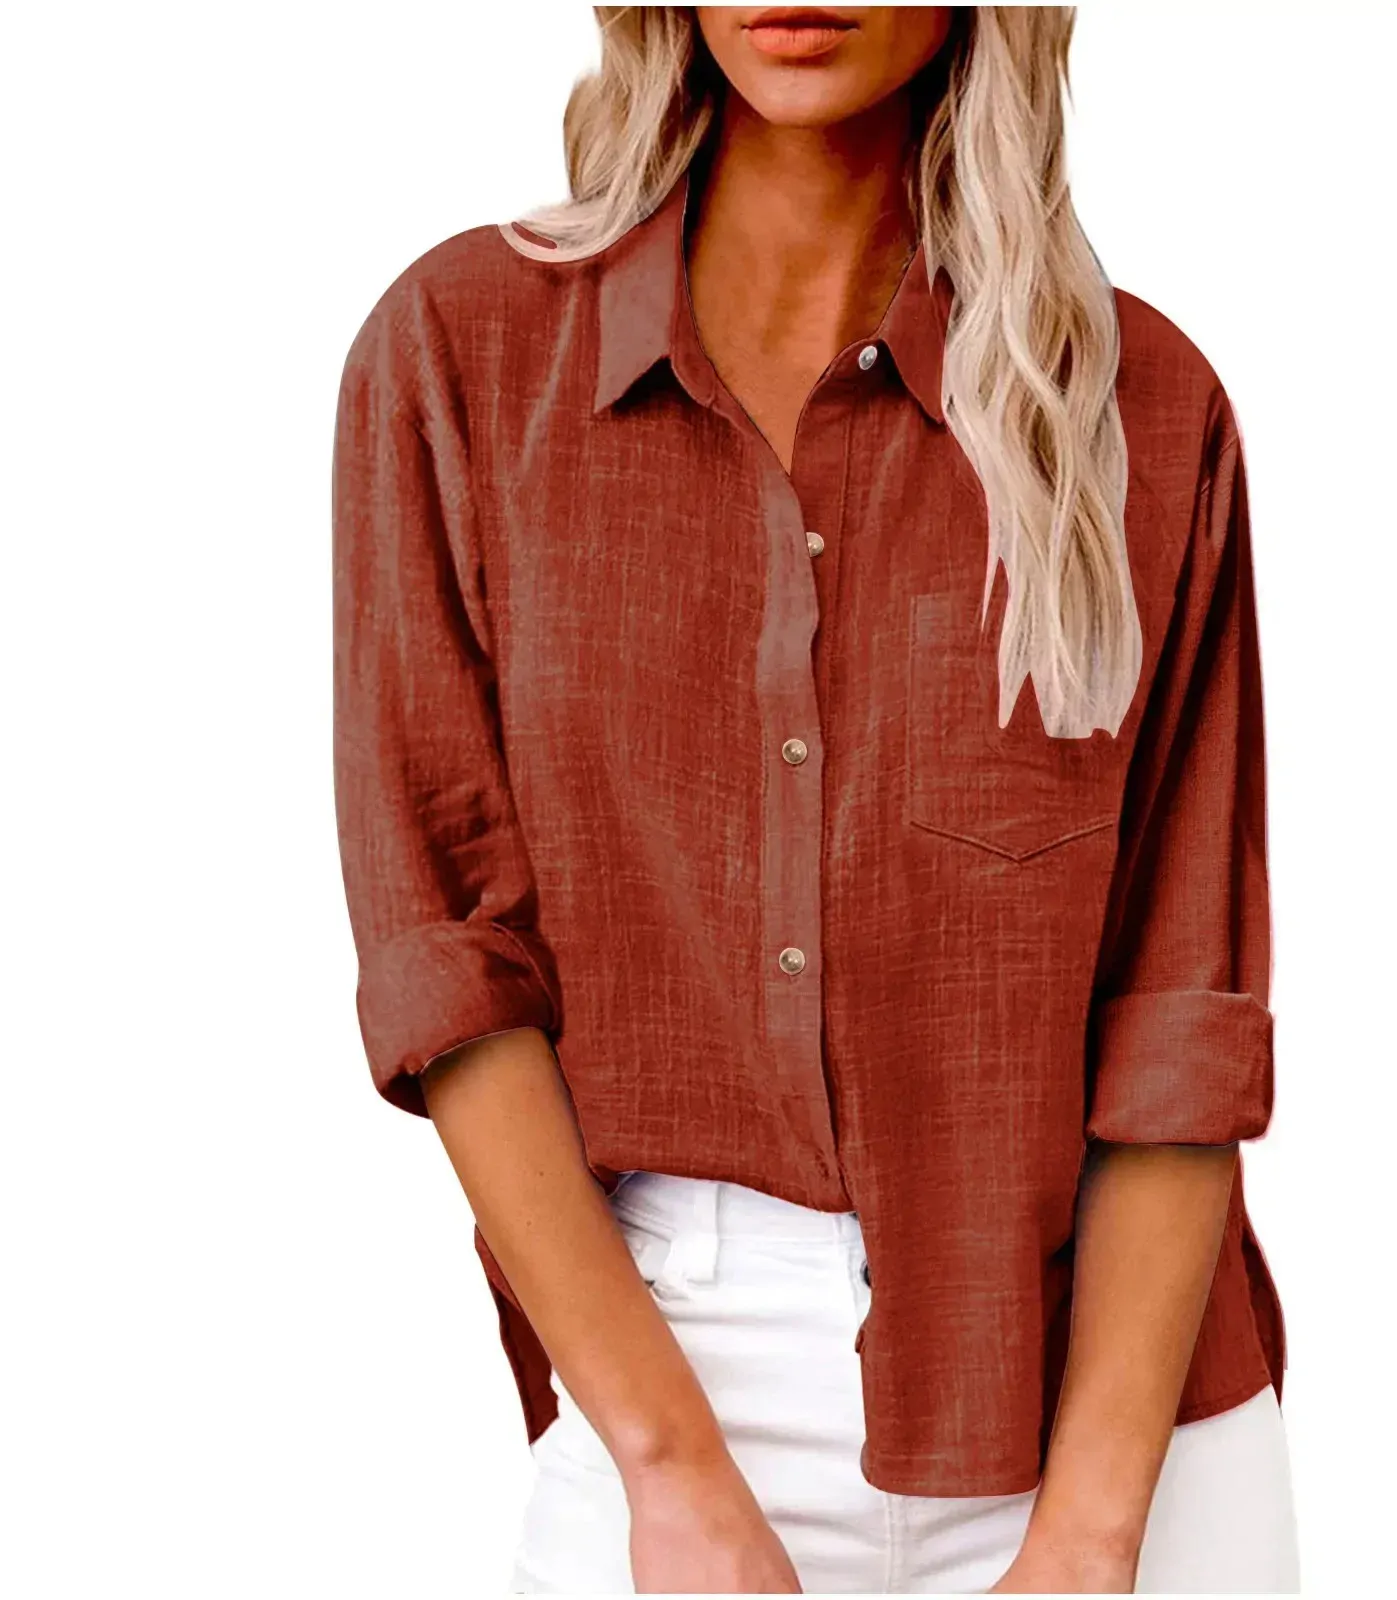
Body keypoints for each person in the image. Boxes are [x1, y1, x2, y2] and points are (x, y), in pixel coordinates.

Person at [331, 6, 1300, 1593]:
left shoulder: (1145, 408)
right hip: (672, 1376)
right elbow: (445, 955)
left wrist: (1091, 1536)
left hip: (1117, 1419)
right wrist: (665, 1467)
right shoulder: (465, 354)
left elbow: (1180, 1012)